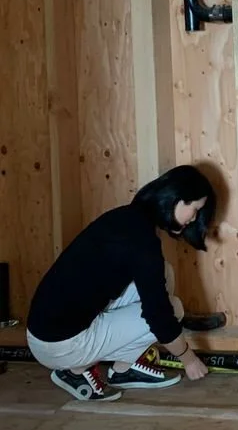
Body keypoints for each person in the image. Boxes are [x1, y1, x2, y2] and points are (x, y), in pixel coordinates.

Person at [26, 165, 215, 401]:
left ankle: (124, 369)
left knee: (164, 273)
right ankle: (74, 371)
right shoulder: (142, 241)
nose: (194, 218)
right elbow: (160, 318)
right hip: (59, 345)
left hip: (45, 329)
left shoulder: (127, 218)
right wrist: (189, 359)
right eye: (195, 209)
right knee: (172, 309)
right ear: (176, 198)